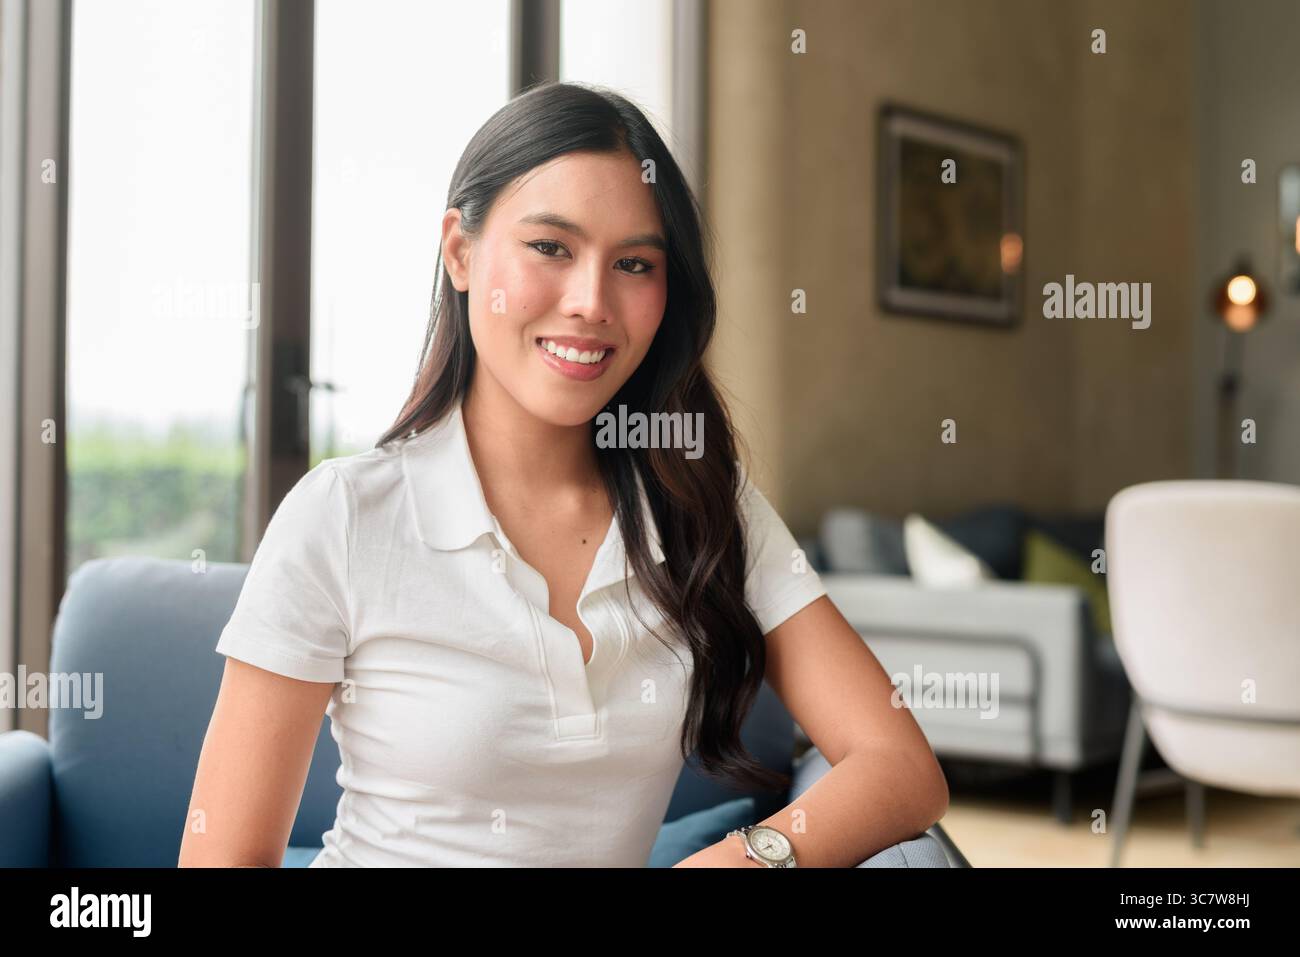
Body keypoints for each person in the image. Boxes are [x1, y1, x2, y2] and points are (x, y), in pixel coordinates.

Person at [179, 81, 947, 868]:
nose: (590, 301)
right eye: (550, 247)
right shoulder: (343, 515)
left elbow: (900, 767)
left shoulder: (704, 507)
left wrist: (747, 860)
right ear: (461, 251)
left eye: (634, 263)